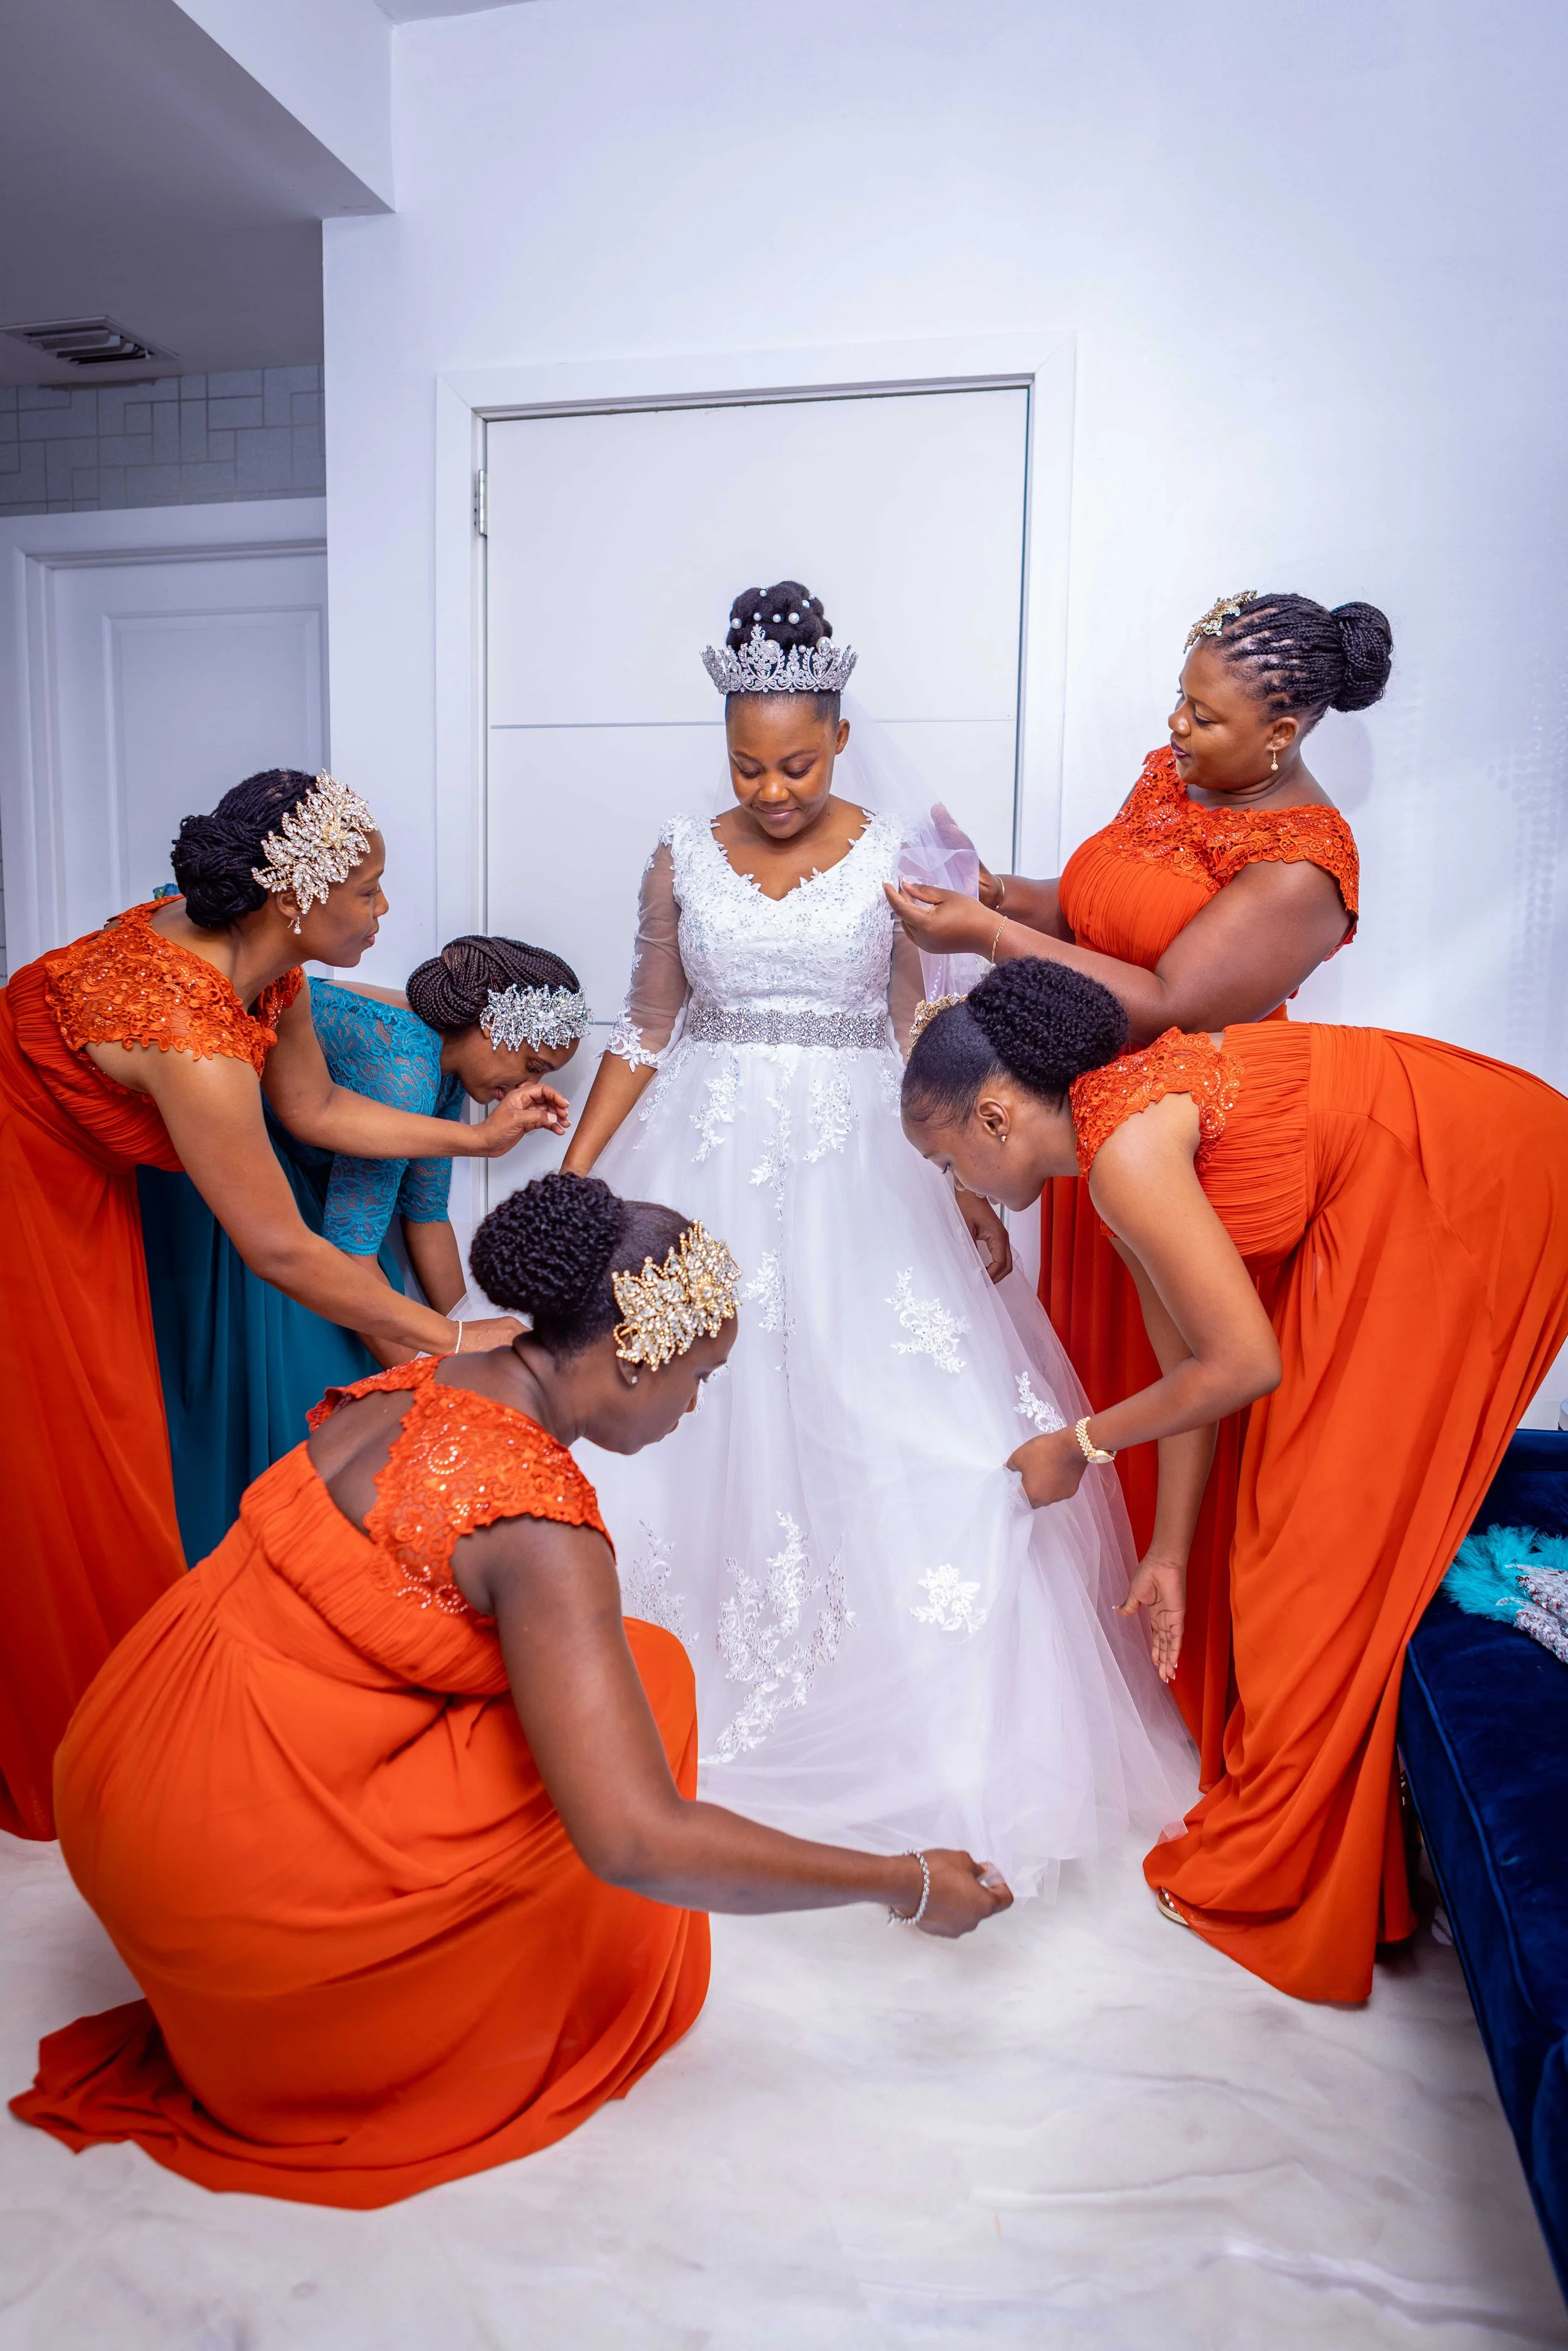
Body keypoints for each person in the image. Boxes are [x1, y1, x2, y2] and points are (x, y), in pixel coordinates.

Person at [10, 1173, 1010, 2209]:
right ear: (634, 1358)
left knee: (628, 1662)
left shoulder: (423, 1378)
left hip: (126, 1771)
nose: (697, 1404)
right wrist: (906, 1879)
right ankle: (449, 2003)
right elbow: (636, 1838)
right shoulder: (538, 1524)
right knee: (650, 1692)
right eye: (700, 1376)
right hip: (230, 1879)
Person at [557, 583, 1192, 1896]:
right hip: (709, 1157)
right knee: (692, 1418)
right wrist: (572, 1176)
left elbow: (920, 1028)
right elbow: (645, 1025)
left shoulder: (894, 850)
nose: (773, 787)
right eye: (747, 763)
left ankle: (928, 1736)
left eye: (795, 761)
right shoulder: (680, 852)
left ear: (839, 740)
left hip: (867, 1160)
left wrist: (963, 1182)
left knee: (903, 1419)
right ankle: (664, 1716)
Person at [899, 958, 1568, 2001]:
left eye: (947, 1161)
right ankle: (1318, 1846)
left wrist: (1078, 1445)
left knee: (1310, 1543)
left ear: (993, 1118)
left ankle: (1284, 1873)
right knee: (1272, 1533)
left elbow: (1244, 1364)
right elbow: (1191, 1374)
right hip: (1407, 1180)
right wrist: (1168, 1552)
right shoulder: (1104, 1146)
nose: (961, 1188)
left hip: (1459, 1178)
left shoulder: (1121, 1153)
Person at [0, 767, 560, 1839]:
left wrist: (476, 1137)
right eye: (370, 891)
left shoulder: (275, 965)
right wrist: (446, 1333)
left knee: (131, 1432)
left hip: (99, 1176)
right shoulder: (190, 1034)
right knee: (78, 1450)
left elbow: (314, 1104)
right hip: (26, 1177)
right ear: (294, 899)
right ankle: (86, 1734)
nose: (387, 912)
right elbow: (278, 1246)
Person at [886, 588, 1389, 1776]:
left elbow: (1164, 997)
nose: (1174, 728)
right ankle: (1099, 1702)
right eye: (1178, 696)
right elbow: (1104, 914)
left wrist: (983, 937)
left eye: (1205, 716)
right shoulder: (1181, 775)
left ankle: (1212, 1724)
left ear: (1288, 729)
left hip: (1186, 1143)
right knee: (1099, 1385)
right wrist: (998, 894)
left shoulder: (1306, 867)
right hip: (1081, 1113)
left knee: (1183, 1400)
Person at [139, 931, 590, 1563]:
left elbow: (426, 1217)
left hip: (318, 1204)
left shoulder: (449, 1072)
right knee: (322, 1392)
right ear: (492, 1029)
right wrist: (439, 1387)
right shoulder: (404, 1064)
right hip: (241, 1186)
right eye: (534, 1065)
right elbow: (352, 1250)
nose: (528, 1084)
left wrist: (472, 1334)